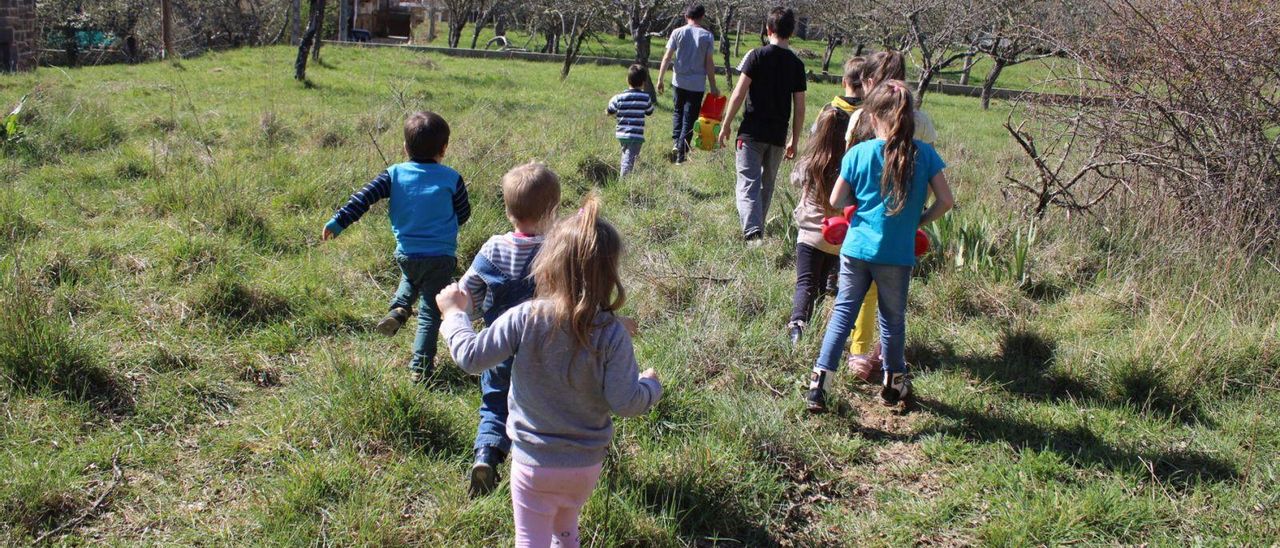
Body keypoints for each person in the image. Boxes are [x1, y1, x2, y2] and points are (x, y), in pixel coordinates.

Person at [437, 197, 662, 548]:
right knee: (564, 528)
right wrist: (650, 386)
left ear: (549, 264)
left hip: (533, 464)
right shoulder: (613, 332)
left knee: (530, 539)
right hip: (584, 469)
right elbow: (626, 401)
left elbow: (470, 357)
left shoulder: (525, 317)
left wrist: (454, 314)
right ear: (609, 274)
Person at [806, 80, 954, 413]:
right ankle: (893, 382)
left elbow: (835, 199)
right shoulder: (926, 155)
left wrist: (857, 202)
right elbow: (946, 201)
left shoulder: (859, 153)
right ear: (909, 119)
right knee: (892, 319)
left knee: (843, 312)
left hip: (857, 249)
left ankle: (820, 384)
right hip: (896, 254)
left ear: (872, 118)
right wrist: (919, 219)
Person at [322, 111, 470, 384]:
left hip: (406, 254)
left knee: (411, 276)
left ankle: (399, 308)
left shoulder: (393, 174)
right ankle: (420, 369)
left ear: (405, 148)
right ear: (444, 148)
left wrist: (338, 221)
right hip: (441, 257)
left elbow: (363, 198)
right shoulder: (452, 178)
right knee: (429, 313)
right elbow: (464, 213)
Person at [456, 162, 561, 498]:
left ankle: (486, 454)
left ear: (508, 210)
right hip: (544, 353)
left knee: (494, 402)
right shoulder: (557, 250)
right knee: (543, 405)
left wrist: (466, 316)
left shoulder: (493, 248)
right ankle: (539, 461)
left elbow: (468, 291)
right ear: (553, 211)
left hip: (498, 347)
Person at [843, 50, 940, 382]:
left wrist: (851, 209)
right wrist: (916, 213)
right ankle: (886, 354)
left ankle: (859, 353)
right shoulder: (922, 121)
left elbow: (847, 171)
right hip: (902, 222)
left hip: (862, 218)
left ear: (869, 82)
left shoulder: (860, 119)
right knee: (894, 294)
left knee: (860, 292)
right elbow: (929, 174)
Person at [717, 6, 807, 244]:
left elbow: (738, 93)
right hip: (777, 135)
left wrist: (726, 123)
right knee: (766, 185)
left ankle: (752, 232)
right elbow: (800, 107)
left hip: (750, 133)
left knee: (747, 183)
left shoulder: (756, 55)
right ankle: (756, 232)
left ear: (768, 29)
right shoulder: (797, 65)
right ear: (792, 32)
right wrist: (794, 140)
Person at [788, 108, 850, 345]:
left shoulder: (811, 163)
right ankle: (820, 323)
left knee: (805, 282)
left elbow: (794, 180)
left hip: (810, 236)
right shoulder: (847, 166)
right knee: (824, 280)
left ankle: (798, 325)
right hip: (836, 237)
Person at [657, 3, 720, 164]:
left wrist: (660, 79)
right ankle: (681, 153)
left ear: (686, 16)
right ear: (702, 17)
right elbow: (709, 64)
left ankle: (676, 142)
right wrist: (713, 86)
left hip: (678, 80)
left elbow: (667, 57)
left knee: (678, 112)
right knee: (690, 117)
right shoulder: (707, 36)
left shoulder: (677, 32)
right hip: (697, 84)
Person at [607, 65, 657, 177]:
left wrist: (607, 112)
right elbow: (649, 111)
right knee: (629, 159)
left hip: (621, 134)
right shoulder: (645, 98)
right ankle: (624, 181)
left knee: (626, 155)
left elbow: (610, 109)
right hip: (635, 135)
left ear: (627, 80)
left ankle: (625, 176)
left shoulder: (619, 97)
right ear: (644, 82)